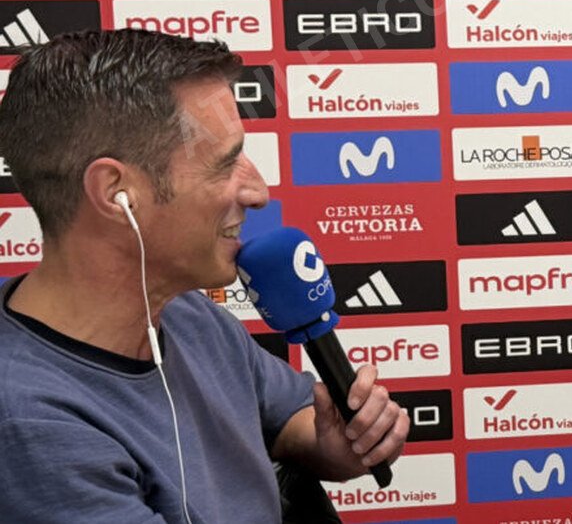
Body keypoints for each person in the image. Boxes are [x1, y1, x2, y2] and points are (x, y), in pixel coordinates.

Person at [0, 29, 409, 522]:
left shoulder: (188, 314)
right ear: (116, 193)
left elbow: (289, 418)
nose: (258, 192)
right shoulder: (32, 426)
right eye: (225, 164)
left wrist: (334, 442)